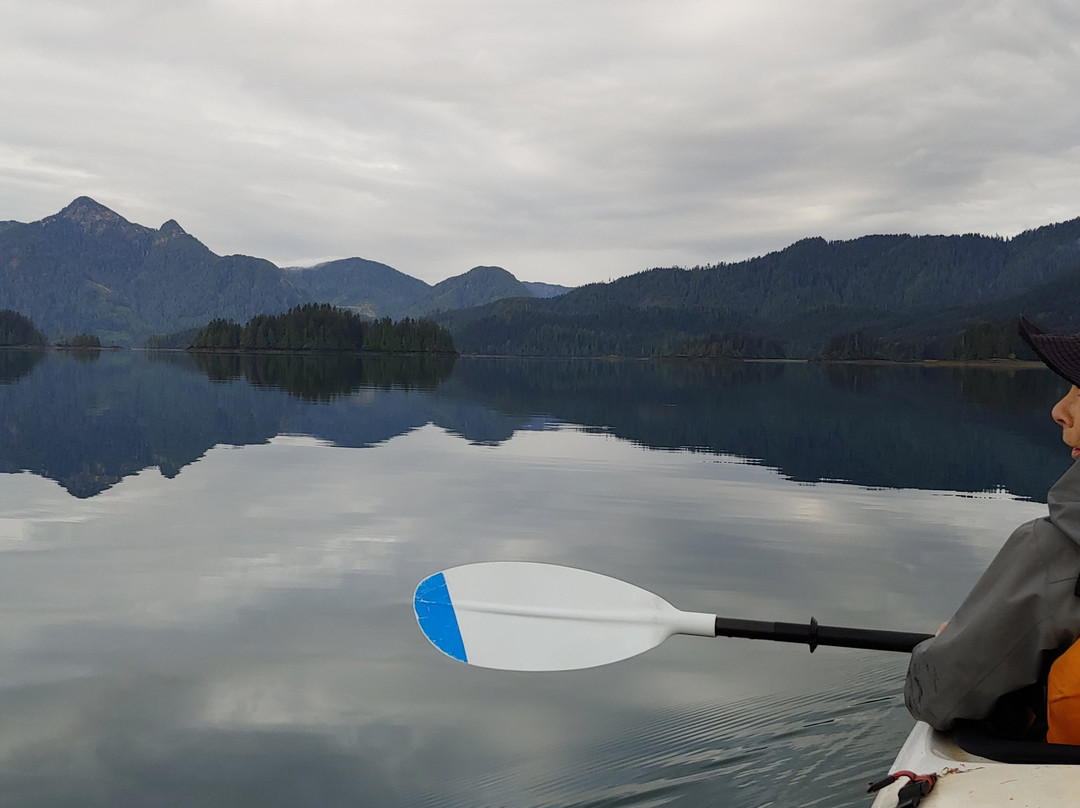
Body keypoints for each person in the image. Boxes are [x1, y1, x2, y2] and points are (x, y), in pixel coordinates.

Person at [904, 316, 1080, 741]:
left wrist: (948, 649)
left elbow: (936, 698)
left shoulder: (1054, 550)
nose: (1059, 410)